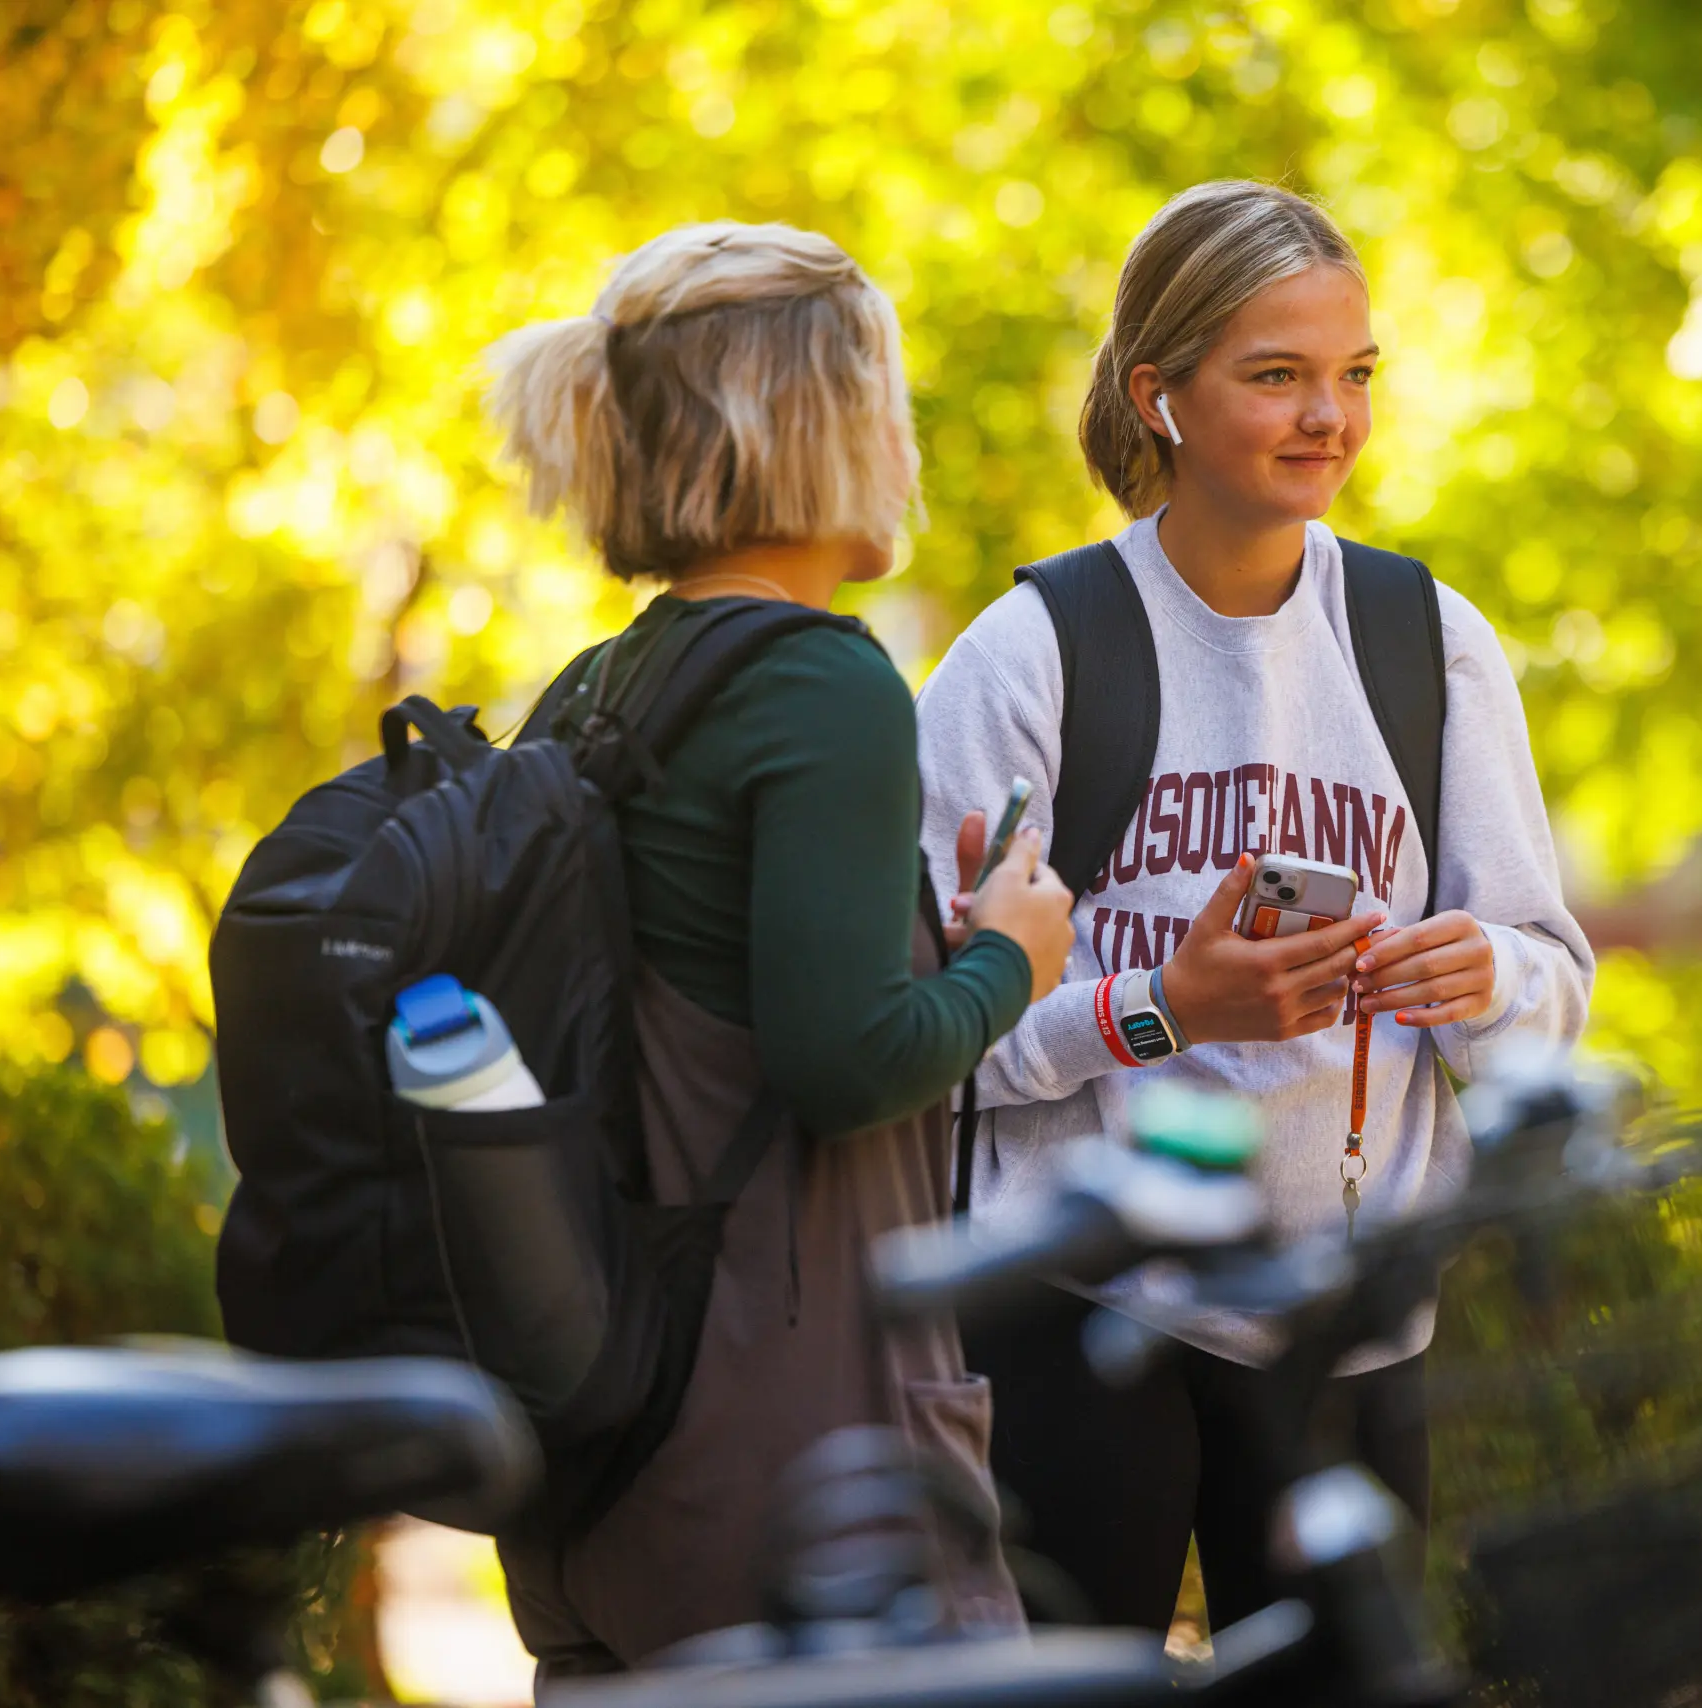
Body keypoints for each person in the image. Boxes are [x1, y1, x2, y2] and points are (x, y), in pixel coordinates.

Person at [913, 180, 1594, 1636]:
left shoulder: (1429, 641)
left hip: (1358, 1319)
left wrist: (1481, 975)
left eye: (1354, 377)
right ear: (1157, 394)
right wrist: (1164, 1010)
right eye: (1276, 376)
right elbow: (923, 1036)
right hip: (1085, 1314)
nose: (1328, 419)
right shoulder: (1031, 656)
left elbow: (1552, 984)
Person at [477, 220, 1077, 1674]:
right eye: (886, 398)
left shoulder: (594, 689)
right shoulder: (823, 684)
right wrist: (1011, 956)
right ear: (813, 424)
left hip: (600, 1445)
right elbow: (845, 1059)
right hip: (788, 1454)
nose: (904, 444)